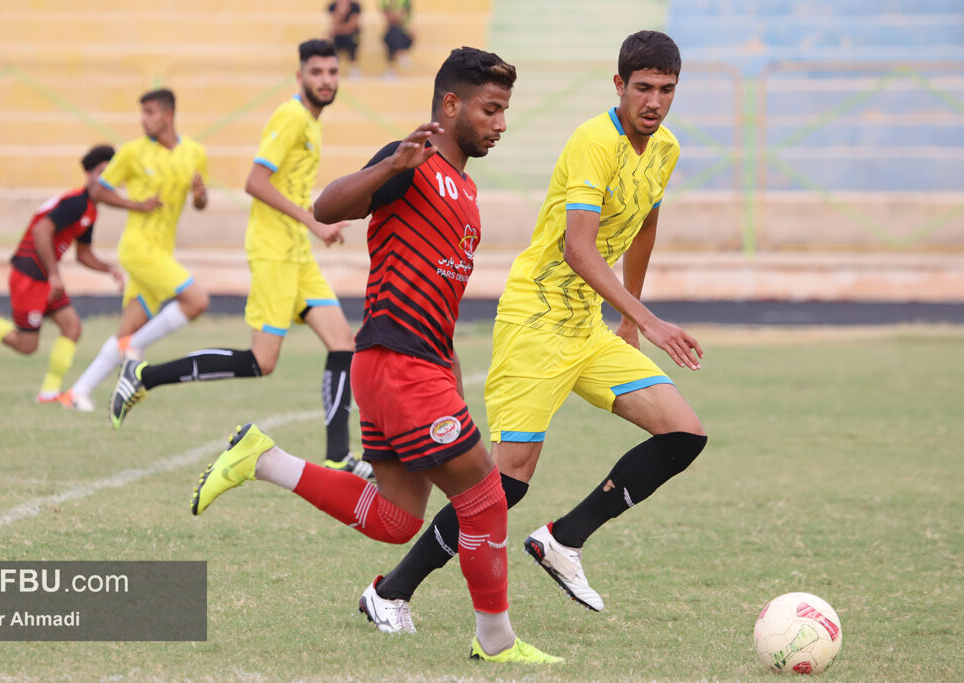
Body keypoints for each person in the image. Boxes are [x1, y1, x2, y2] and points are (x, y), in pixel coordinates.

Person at [188, 47, 561, 665]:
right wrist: (391, 164)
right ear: (450, 104)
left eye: (504, 111)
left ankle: (264, 459)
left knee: (394, 518)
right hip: (397, 362)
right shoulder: (412, 161)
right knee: (486, 497)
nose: (500, 123)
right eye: (490, 109)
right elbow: (327, 206)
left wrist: (455, 383)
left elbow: (441, 303)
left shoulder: (466, 191)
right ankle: (496, 642)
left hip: (409, 367)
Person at [357, 30, 708, 631]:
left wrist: (629, 316)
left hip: (588, 326)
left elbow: (647, 223)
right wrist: (650, 320)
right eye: (643, 88)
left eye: (667, 90)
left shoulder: (666, 148)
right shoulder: (595, 141)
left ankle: (563, 540)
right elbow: (578, 249)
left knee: (683, 434)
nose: (654, 101)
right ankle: (390, 592)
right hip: (537, 320)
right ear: (619, 86)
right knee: (504, 484)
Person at [108, 40, 369, 478]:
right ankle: (144, 375)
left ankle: (338, 455)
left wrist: (311, 227)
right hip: (273, 253)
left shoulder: (310, 120)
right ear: (300, 76)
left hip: (297, 254)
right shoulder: (290, 116)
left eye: (332, 72)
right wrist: (315, 222)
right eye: (317, 72)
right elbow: (255, 181)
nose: (326, 80)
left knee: (344, 343)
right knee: (261, 362)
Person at [60, 89, 210, 412]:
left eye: (150, 112)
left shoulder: (195, 152)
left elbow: (200, 203)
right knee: (197, 300)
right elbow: (97, 190)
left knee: (127, 329)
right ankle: (134, 353)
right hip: (138, 249)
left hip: (161, 252)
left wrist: (200, 194)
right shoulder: (132, 152)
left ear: (168, 116)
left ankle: (77, 392)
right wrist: (136, 204)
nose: (144, 119)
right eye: (142, 113)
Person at [0, 145, 122, 403]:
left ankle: (49, 392)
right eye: (101, 172)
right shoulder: (75, 202)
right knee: (27, 345)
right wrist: (54, 274)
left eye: (111, 174)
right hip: (30, 272)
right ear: (89, 175)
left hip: (44, 274)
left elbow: (83, 254)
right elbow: (41, 230)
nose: (106, 179)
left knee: (72, 327)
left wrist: (110, 269)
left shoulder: (89, 210)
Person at [327, 1, 362, 76]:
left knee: (352, 40)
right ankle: (334, 67)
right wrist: (340, 13)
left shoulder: (355, 6)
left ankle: (354, 67)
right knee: (335, 41)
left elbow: (351, 26)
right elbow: (335, 23)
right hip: (339, 36)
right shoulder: (333, 6)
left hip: (353, 36)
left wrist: (336, 30)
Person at [380, 0, 413, 76]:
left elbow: (398, 18)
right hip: (391, 33)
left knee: (393, 32)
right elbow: (392, 18)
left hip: (404, 34)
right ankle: (399, 53)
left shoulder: (405, 1)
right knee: (392, 33)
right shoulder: (384, 2)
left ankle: (390, 69)